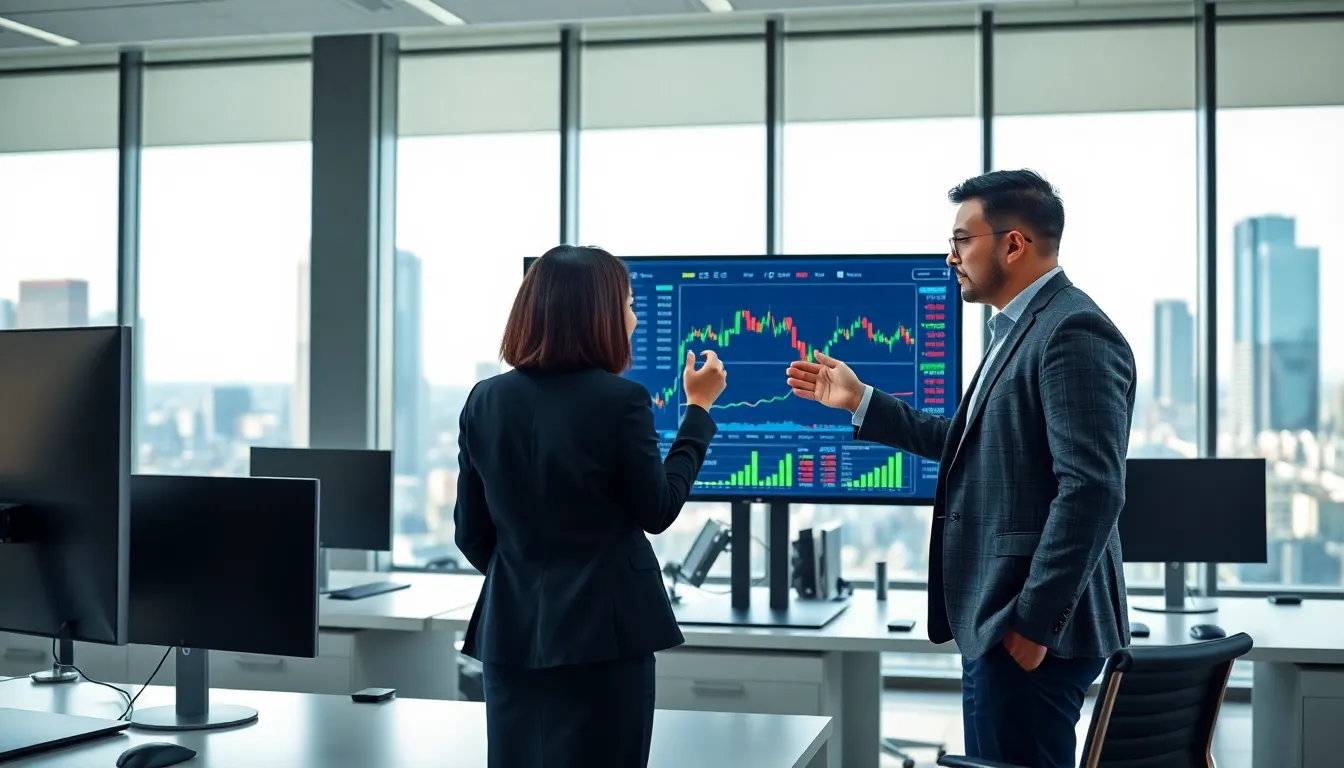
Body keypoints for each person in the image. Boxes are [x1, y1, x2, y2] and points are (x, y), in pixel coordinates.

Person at [786, 170, 1135, 768]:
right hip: (999, 619)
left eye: (960, 241)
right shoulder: (1018, 329)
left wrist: (1032, 625)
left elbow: (1094, 488)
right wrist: (860, 400)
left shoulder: (1071, 331)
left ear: (1013, 244)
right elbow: (972, 444)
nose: (950, 258)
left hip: (1029, 627)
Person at [453, 244, 728, 768]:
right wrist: (698, 412)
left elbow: (471, 533)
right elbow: (658, 509)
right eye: (626, 303)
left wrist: (528, 575)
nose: (634, 317)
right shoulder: (619, 401)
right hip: (604, 640)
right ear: (597, 316)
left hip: (510, 639)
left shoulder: (483, 400)